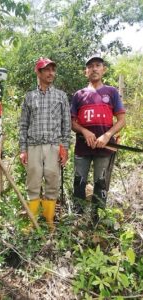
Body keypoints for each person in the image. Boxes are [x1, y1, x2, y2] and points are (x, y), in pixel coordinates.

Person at [70, 54, 126, 223]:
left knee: (100, 182)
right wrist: (84, 131)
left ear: (103, 69)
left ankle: (96, 219)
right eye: (90, 66)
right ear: (85, 72)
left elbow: (121, 120)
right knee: (79, 181)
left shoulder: (112, 92)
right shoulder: (78, 95)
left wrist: (108, 135)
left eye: (97, 65)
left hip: (105, 147)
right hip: (82, 146)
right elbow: (73, 123)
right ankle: (78, 218)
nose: (94, 69)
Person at [19, 57, 71, 231]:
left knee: (52, 181)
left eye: (52, 70)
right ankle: (32, 222)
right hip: (33, 146)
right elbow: (24, 124)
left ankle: (49, 220)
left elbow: (66, 124)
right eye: (47, 70)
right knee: (32, 183)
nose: (51, 73)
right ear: (38, 72)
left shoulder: (61, 96)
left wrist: (65, 147)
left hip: (53, 146)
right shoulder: (29, 97)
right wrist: (22, 149)